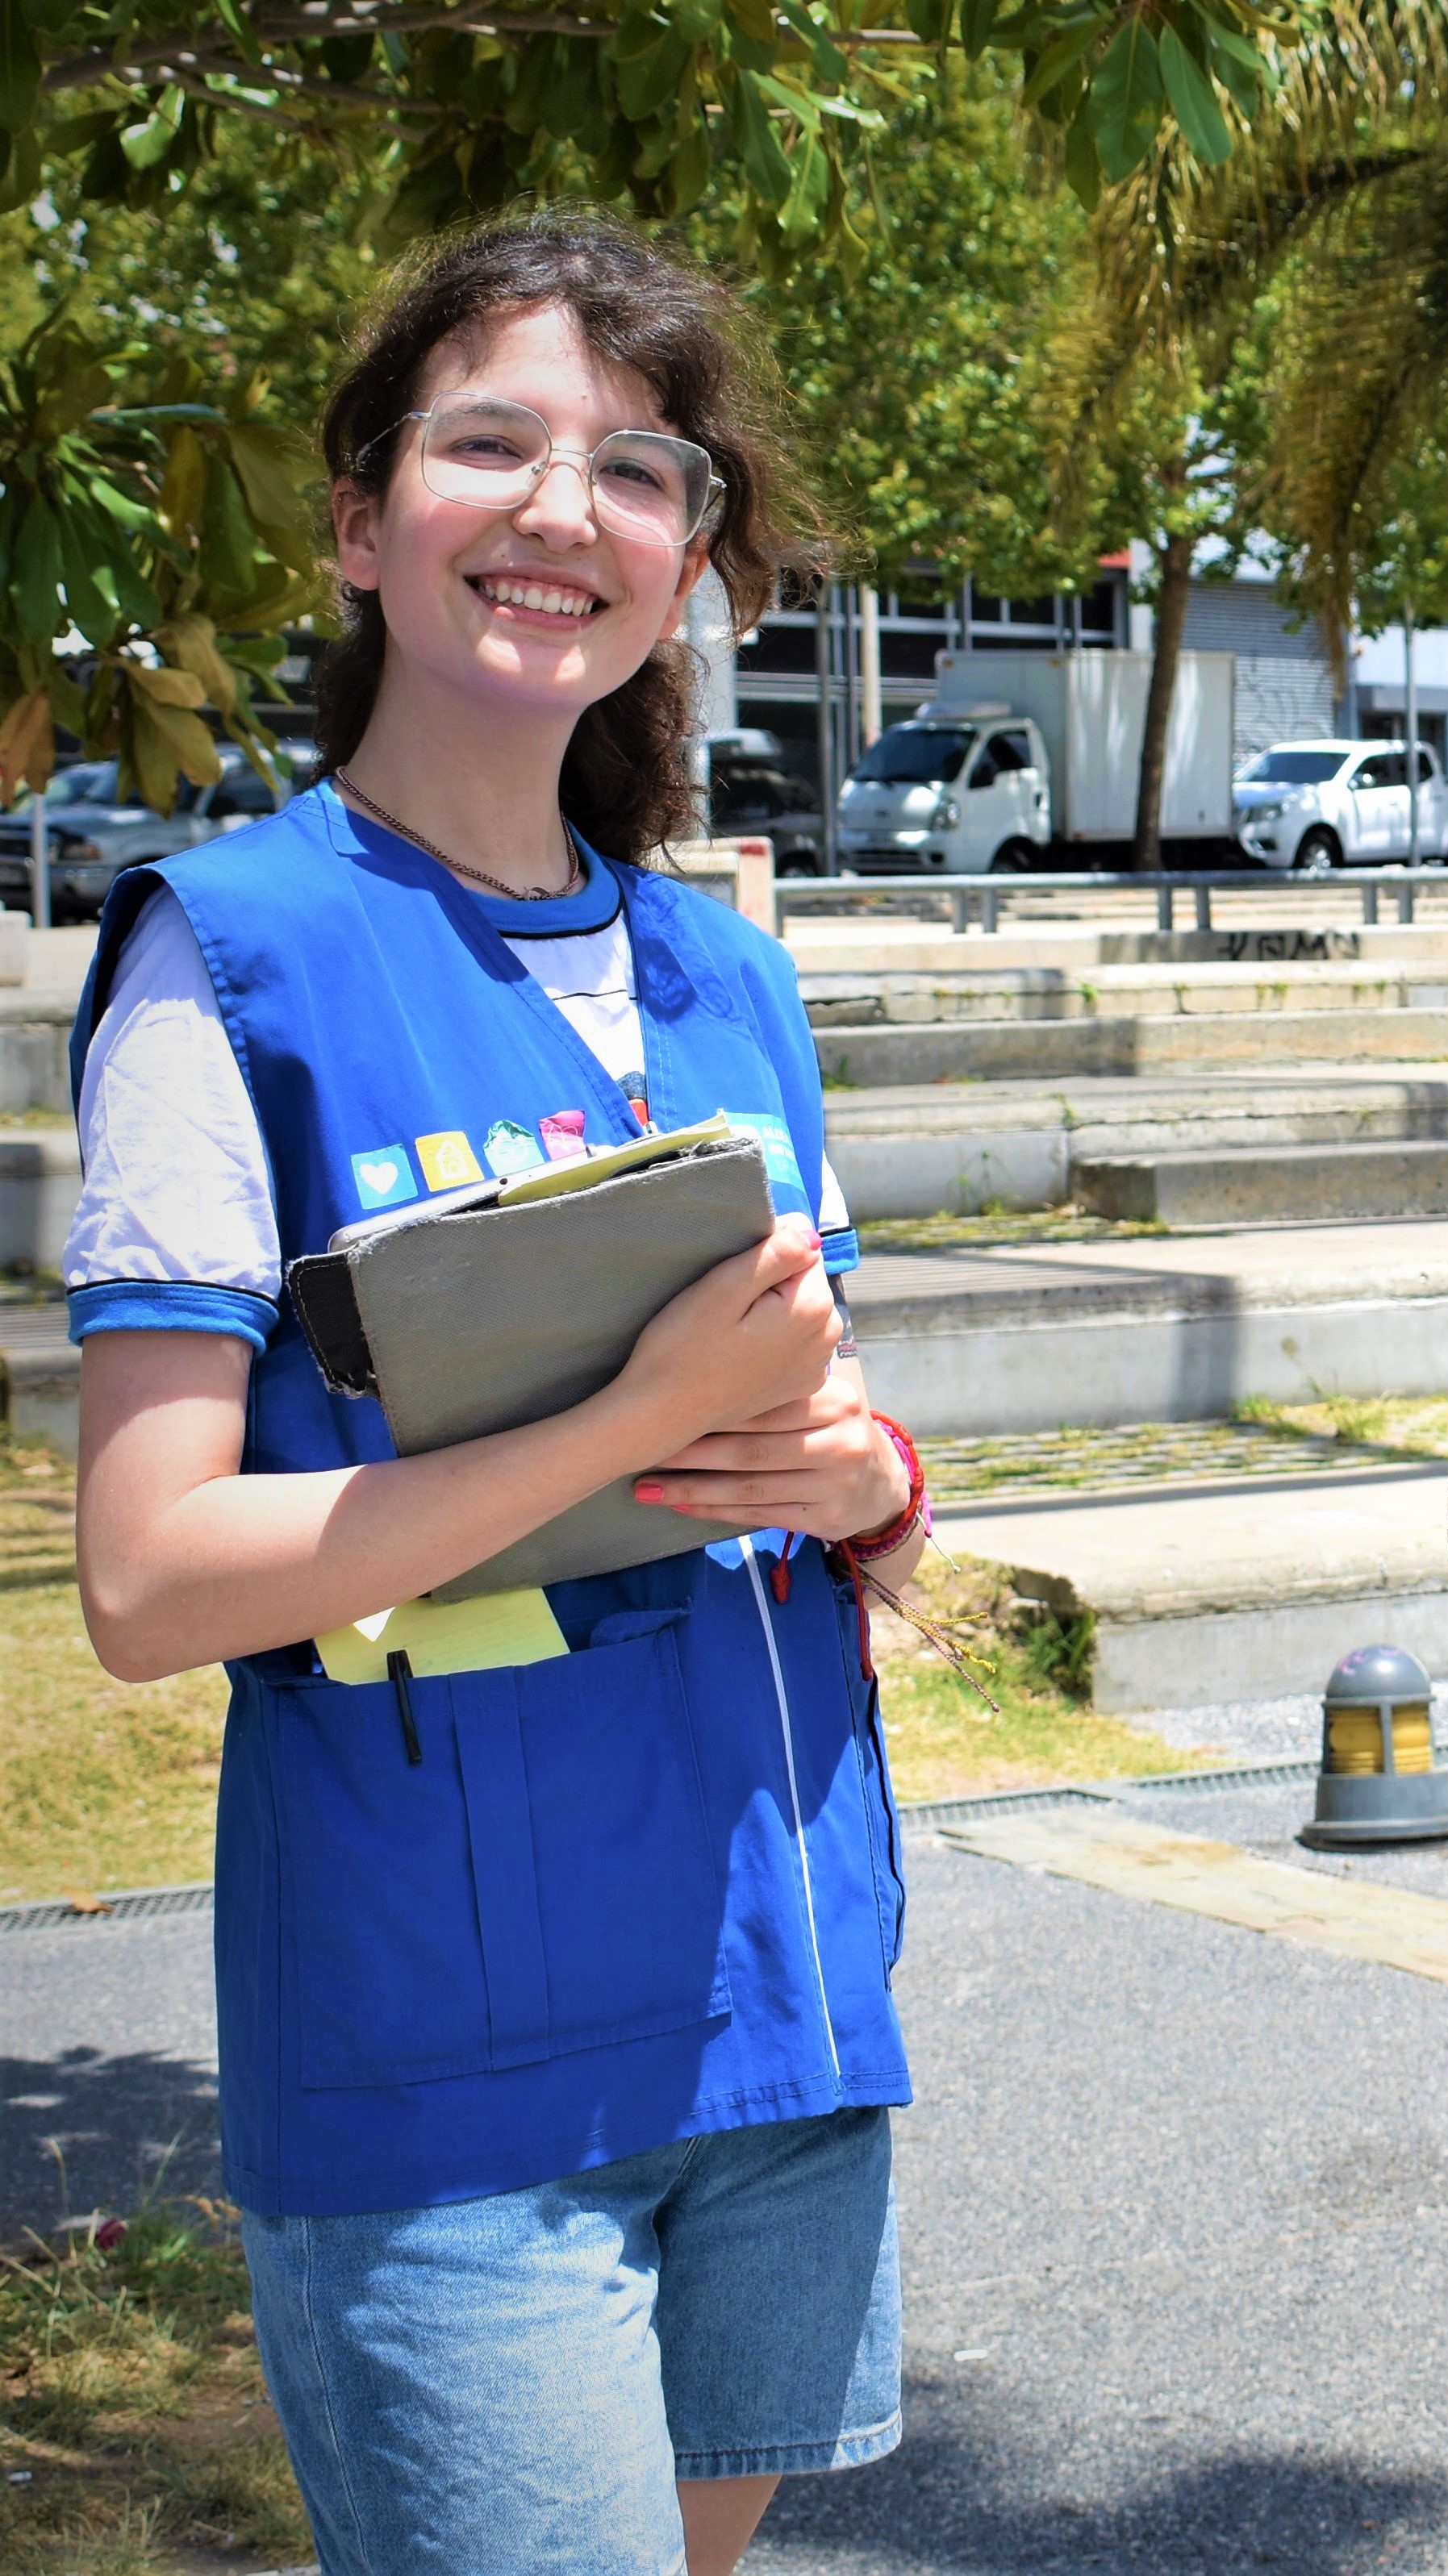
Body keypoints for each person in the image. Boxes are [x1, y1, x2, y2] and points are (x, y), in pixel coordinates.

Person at [66, 210, 924, 2576]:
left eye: (637, 469)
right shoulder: (233, 954)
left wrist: (865, 1480)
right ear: (358, 522)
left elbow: (812, 1455)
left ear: (689, 558)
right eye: (489, 444)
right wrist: (627, 1418)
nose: (567, 511)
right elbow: (146, 1578)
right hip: (451, 2060)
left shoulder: (729, 977)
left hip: (777, 2004)